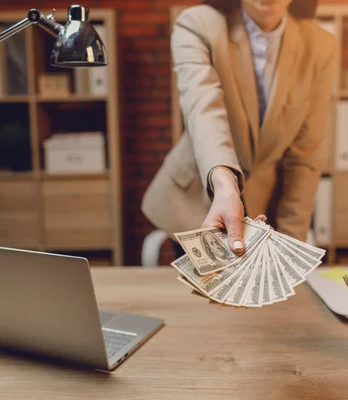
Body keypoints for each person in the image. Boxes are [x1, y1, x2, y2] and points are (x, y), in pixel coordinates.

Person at [142, 0, 336, 259]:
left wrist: (291, 240)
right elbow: (204, 109)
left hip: (266, 212)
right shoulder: (198, 23)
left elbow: (305, 155)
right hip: (195, 201)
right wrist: (224, 185)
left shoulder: (322, 46)